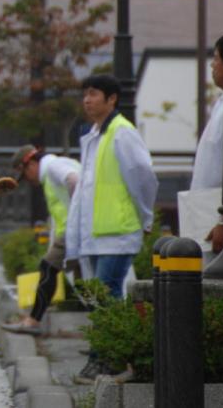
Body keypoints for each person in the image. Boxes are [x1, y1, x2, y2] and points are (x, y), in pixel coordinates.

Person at [66, 74, 157, 299]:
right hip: (97, 233)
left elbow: (143, 177)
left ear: (112, 99)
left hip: (117, 233)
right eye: (85, 94)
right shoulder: (94, 134)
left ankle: (119, 335)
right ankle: (109, 335)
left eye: (94, 94)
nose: (87, 100)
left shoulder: (122, 132)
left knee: (107, 294)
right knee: (101, 297)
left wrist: (145, 216)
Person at [0, 144, 80, 335]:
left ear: (30, 164)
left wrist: (79, 215)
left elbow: (75, 181)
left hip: (75, 230)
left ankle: (32, 321)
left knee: (48, 268)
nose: (28, 180)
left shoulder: (53, 167)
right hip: (76, 231)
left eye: (25, 174)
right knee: (87, 284)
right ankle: (105, 334)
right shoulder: (59, 165)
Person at [186, 33, 223, 254]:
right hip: (205, 214)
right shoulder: (222, 103)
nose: (212, 65)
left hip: (221, 222)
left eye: (216, 58)